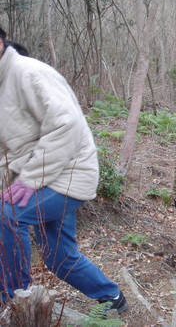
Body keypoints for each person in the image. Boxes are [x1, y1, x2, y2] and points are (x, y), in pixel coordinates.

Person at [0, 28, 127, 314]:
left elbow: (65, 126)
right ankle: (113, 297)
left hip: (67, 174)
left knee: (8, 215)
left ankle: (16, 301)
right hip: (46, 176)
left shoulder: (28, 72)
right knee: (59, 256)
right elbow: (12, 151)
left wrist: (30, 180)